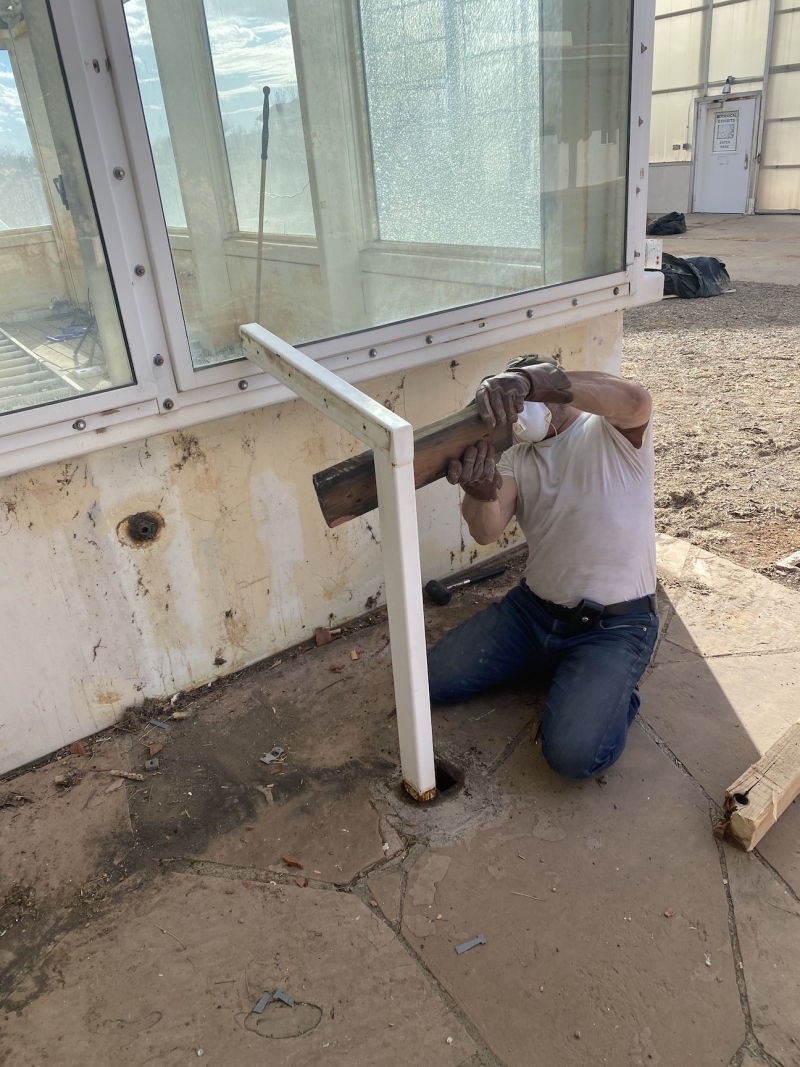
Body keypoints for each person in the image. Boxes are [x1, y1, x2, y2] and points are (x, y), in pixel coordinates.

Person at [427, 355, 658, 780]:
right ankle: (563, 670)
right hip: (531, 614)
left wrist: (533, 381)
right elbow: (486, 531)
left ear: (551, 387)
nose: (519, 415)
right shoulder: (517, 459)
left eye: (523, 400)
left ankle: (611, 692)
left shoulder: (606, 431)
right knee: (432, 680)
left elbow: (635, 400)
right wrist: (479, 488)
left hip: (613, 626)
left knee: (573, 755)